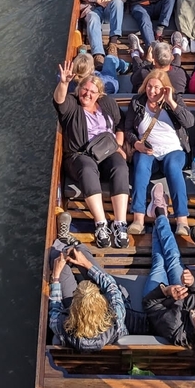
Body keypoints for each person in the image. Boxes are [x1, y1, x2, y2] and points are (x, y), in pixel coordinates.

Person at [53, 63, 130, 249]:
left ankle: (120, 224)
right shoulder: (72, 104)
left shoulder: (107, 103)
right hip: (79, 155)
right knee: (87, 168)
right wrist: (63, 83)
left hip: (106, 151)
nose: (87, 94)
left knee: (120, 166)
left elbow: (120, 124)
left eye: (92, 92)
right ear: (79, 89)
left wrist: (118, 145)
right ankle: (101, 224)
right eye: (85, 90)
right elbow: (59, 101)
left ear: (99, 95)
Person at [141, 185, 195, 347]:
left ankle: (160, 211)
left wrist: (166, 291)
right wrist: (193, 283)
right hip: (181, 290)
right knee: (173, 258)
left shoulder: (175, 330)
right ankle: (159, 214)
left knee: (159, 262)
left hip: (158, 298)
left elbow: (150, 305)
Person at [124, 70, 194, 236]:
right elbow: (128, 129)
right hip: (148, 151)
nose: (152, 91)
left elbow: (189, 122)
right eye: (149, 86)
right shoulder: (137, 101)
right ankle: (138, 219)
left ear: (165, 88)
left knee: (173, 167)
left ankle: (182, 221)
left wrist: (170, 101)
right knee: (141, 164)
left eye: (156, 87)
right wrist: (137, 143)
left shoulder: (175, 100)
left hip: (173, 150)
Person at [49, 246, 127, 350]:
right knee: (80, 250)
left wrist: (55, 277)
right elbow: (111, 286)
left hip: (74, 320)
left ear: (74, 306)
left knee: (57, 256)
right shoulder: (116, 318)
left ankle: (67, 249)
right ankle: (73, 250)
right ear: (101, 302)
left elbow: (54, 310)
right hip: (105, 330)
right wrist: (86, 264)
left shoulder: (62, 325)